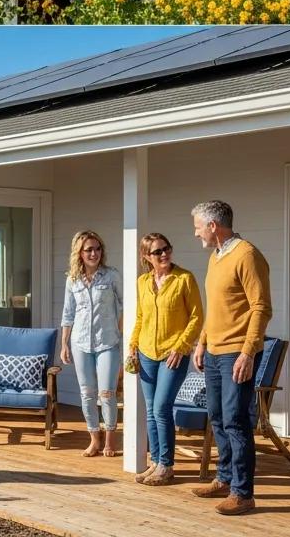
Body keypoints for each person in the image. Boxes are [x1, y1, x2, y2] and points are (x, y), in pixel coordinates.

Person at [190, 200, 272, 516]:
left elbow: (261, 307)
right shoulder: (216, 257)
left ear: (213, 226)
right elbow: (216, 308)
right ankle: (224, 479)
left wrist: (249, 352)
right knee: (218, 417)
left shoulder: (248, 256)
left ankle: (243, 493)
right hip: (213, 352)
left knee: (236, 420)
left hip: (237, 352)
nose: (195, 233)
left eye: (197, 227)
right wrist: (201, 343)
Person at [128, 232, 204, 486]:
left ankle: (167, 466)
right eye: (157, 251)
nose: (164, 254)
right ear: (146, 257)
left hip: (173, 354)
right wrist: (132, 347)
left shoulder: (184, 279)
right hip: (146, 352)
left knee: (161, 407)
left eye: (167, 248)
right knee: (151, 410)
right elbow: (141, 318)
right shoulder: (143, 282)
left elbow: (196, 317)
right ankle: (157, 462)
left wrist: (181, 347)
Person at [60, 230, 123, 457]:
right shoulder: (72, 280)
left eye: (97, 249)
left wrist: (120, 329)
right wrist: (64, 344)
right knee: (87, 393)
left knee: (107, 393)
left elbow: (126, 304)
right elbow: (68, 314)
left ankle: (110, 440)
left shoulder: (111, 275)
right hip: (80, 343)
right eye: (89, 249)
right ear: (80, 253)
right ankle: (94, 439)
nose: (94, 253)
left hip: (108, 342)